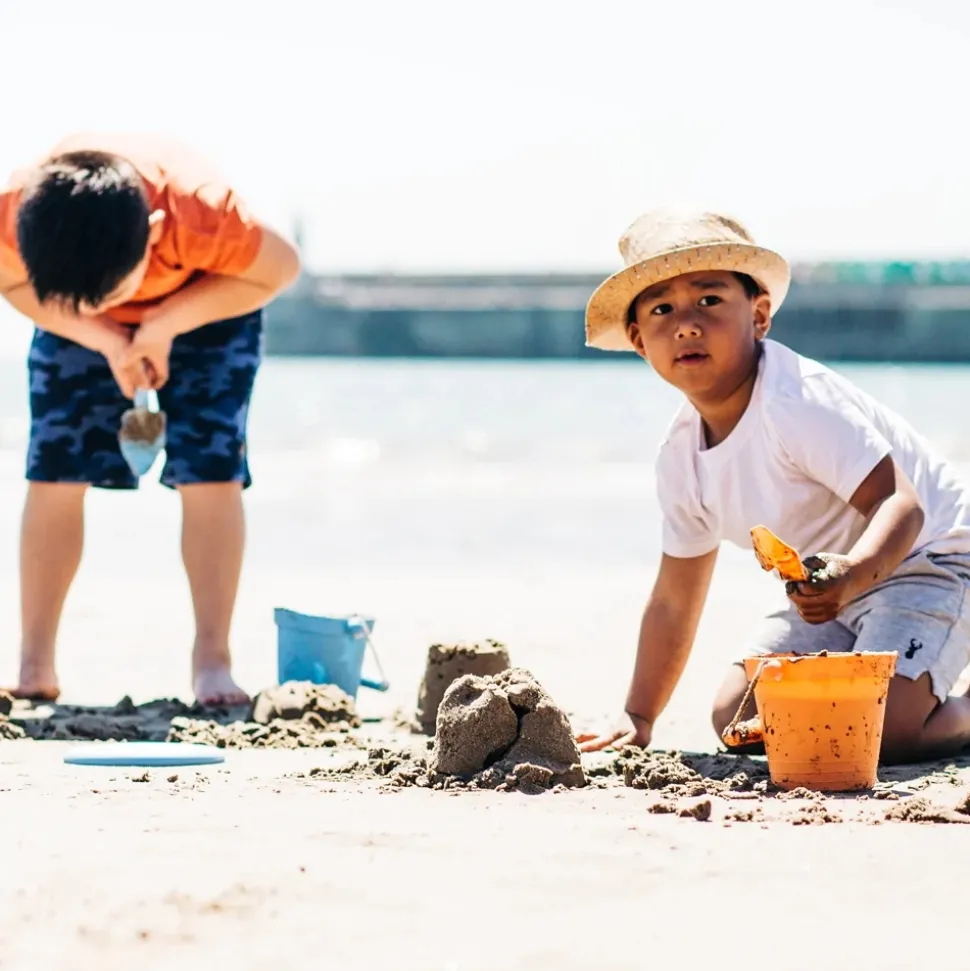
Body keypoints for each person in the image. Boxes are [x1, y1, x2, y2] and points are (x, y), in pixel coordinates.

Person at [576, 210, 970, 765]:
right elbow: (674, 596)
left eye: (709, 301)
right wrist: (638, 715)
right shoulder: (681, 459)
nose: (686, 324)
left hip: (928, 560)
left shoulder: (795, 402)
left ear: (759, 315)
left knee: (881, 732)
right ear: (640, 341)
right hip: (829, 590)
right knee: (738, 720)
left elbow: (899, 503)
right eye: (662, 310)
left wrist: (854, 575)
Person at [0, 133, 301, 705]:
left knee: (211, 471)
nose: (104, 305)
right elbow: (10, 280)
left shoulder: (204, 213)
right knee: (54, 469)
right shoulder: (16, 211)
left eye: (110, 295)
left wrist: (161, 324)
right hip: (65, 316)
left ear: (157, 234)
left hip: (211, 303)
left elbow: (280, 269)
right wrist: (103, 336)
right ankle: (34, 663)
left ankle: (212, 660)